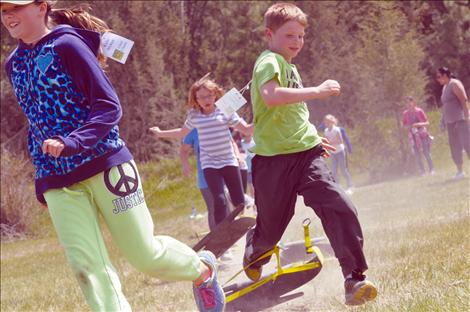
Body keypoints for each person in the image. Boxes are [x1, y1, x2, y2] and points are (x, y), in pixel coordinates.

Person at [1, 1, 224, 311]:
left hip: (107, 165)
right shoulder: (14, 64)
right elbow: (35, 123)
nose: (8, 15)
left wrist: (74, 141)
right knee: (89, 270)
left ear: (42, 7)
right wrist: (41, 177)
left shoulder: (67, 45)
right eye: (3, 10)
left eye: (16, 7)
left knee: (144, 255)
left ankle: (201, 270)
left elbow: (108, 106)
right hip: (58, 181)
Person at [243, 3, 377, 306]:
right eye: (290, 35)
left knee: (337, 203)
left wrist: (311, 135)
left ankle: (354, 278)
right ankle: (256, 246)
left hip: (306, 154)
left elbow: (292, 111)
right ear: (269, 34)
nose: (297, 42)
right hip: (272, 161)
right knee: (273, 226)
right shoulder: (269, 61)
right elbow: (272, 96)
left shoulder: (290, 67)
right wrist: (318, 90)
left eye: (301, 36)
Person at [150, 76, 253, 227]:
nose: (206, 100)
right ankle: (221, 233)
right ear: (196, 99)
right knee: (219, 200)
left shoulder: (226, 111)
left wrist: (266, 118)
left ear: (215, 94)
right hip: (209, 164)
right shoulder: (194, 115)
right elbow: (181, 133)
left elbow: (246, 129)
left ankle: (244, 224)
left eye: (209, 95)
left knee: (240, 203)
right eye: (201, 97)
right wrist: (160, 133)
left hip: (229, 161)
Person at [436, 67, 470, 179]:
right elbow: (445, 106)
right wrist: (442, 121)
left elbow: (464, 101)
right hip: (450, 123)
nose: (438, 79)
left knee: (467, 144)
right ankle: (460, 172)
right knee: (454, 147)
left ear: (445, 75)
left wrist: (467, 118)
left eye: (439, 76)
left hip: (460, 121)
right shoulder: (445, 88)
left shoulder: (454, 84)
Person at [402, 96, 434, 175]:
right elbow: (404, 125)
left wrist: (418, 124)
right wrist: (409, 127)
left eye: (409, 102)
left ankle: (432, 170)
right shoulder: (405, 114)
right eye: (406, 102)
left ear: (413, 102)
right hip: (413, 136)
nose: (408, 104)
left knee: (426, 152)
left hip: (422, 134)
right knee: (417, 155)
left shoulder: (419, 111)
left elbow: (427, 123)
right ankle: (422, 171)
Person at [323, 114, 354, 193]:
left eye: (328, 122)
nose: (326, 123)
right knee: (333, 170)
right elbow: (326, 141)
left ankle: (350, 186)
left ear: (332, 122)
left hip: (340, 151)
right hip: (333, 152)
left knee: (343, 169)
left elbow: (340, 141)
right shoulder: (326, 131)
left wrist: (330, 142)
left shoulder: (336, 130)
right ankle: (338, 187)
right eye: (325, 122)